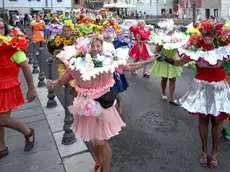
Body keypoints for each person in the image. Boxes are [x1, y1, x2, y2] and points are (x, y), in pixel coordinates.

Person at [47, 35, 156, 172]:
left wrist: (149, 60)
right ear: (87, 48)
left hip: (103, 107)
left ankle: (106, 169)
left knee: (102, 141)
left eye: (98, 46)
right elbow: (65, 77)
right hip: (86, 107)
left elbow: (129, 66)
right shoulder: (79, 61)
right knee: (92, 138)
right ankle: (98, 162)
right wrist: (54, 84)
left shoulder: (109, 61)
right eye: (92, 46)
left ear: (102, 47)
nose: (95, 48)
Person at [157, 20, 230, 168]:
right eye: (205, 34)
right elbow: (178, 63)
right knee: (203, 120)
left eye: (211, 34)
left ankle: (214, 152)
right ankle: (204, 151)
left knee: (217, 122)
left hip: (219, 90)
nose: (207, 36)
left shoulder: (225, 50)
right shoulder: (195, 50)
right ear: (201, 36)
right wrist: (166, 58)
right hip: (201, 89)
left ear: (216, 35)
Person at [0, 19, 36, 159]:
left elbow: (25, 67)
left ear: (5, 30)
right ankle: (1, 146)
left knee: (3, 119)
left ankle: (27, 132)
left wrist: (31, 88)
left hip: (7, 88)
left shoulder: (13, 46)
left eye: (1, 28)